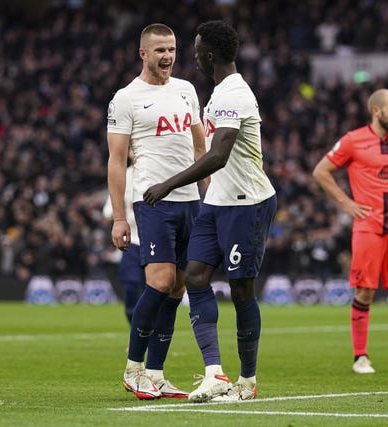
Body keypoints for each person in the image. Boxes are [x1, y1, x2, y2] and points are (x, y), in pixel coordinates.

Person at [143, 20, 277, 402]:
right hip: (217, 202)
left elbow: (218, 156)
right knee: (196, 277)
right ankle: (215, 373)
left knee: (240, 291)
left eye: (197, 50)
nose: (194, 56)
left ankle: (247, 382)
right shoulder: (218, 93)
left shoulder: (234, 94)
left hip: (247, 203)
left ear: (208, 55)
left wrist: (168, 183)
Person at [107, 23, 207, 400]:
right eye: (160, 50)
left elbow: (200, 151)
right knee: (160, 282)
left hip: (190, 202)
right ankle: (134, 368)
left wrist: (209, 198)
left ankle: (156, 372)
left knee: (179, 287)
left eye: (172, 49)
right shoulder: (126, 98)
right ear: (143, 54)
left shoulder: (186, 90)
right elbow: (116, 162)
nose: (167, 56)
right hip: (152, 201)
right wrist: (119, 217)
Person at [312, 88, 388, 374]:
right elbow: (321, 171)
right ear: (376, 111)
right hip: (368, 227)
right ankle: (360, 358)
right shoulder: (353, 140)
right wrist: (347, 204)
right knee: (365, 291)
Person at [102, 151, 143, 326]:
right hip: (132, 242)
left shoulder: (159, 173)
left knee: (157, 292)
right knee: (131, 289)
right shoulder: (124, 175)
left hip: (156, 239)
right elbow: (107, 212)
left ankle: (155, 337)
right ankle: (136, 336)